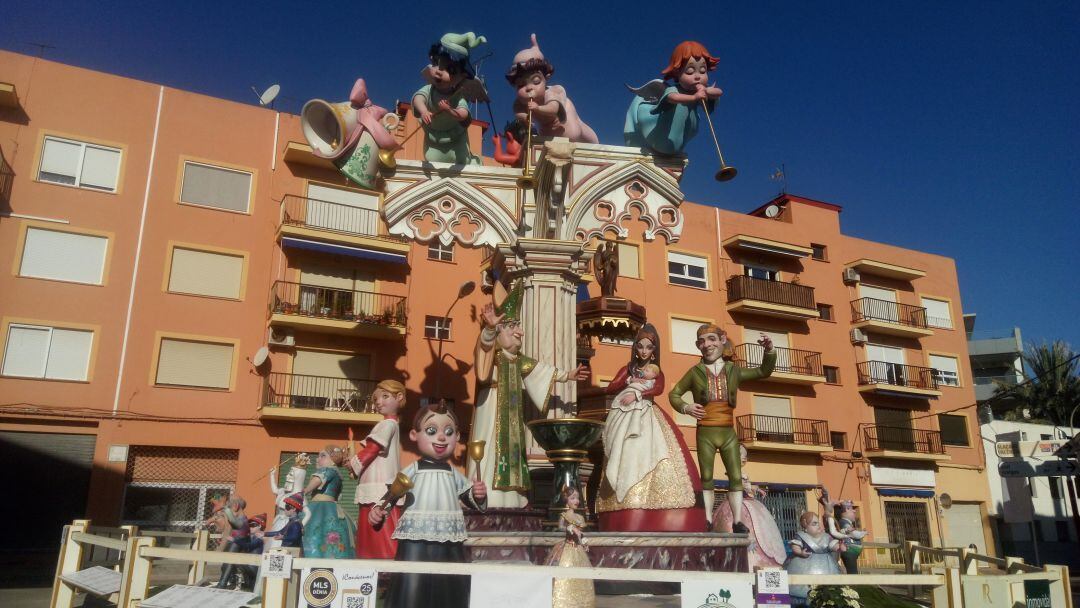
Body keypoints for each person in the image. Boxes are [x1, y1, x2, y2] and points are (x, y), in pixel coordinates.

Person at [472, 280, 589, 508]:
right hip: (492, 409)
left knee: (514, 451)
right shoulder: (494, 353)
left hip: (513, 418)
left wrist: (568, 375)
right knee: (491, 453)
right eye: (514, 327)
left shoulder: (517, 360)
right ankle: (489, 493)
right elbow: (484, 347)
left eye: (519, 327)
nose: (521, 332)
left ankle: (512, 496)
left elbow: (541, 369)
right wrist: (489, 329)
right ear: (500, 330)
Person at [370, 401, 486, 608]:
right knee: (412, 584)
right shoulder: (412, 470)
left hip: (449, 538)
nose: (441, 437)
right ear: (414, 435)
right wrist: (378, 511)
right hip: (416, 538)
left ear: (457, 437)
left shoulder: (454, 474)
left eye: (449, 432)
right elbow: (392, 495)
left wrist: (478, 495)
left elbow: (469, 497)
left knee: (449, 584)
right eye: (431, 431)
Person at [598, 323, 704, 532]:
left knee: (654, 450)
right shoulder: (627, 369)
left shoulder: (657, 371)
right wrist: (628, 380)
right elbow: (611, 386)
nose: (644, 351)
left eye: (649, 347)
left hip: (646, 413)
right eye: (641, 346)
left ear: (654, 351)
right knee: (621, 452)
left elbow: (659, 388)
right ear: (635, 348)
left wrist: (637, 393)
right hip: (622, 414)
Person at [669, 325, 775, 529]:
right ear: (697, 346)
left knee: (735, 476)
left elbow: (763, 371)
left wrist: (769, 350)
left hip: (728, 431)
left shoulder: (733, 371)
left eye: (711, 339)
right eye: (702, 341)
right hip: (705, 431)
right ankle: (707, 519)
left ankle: (737, 522)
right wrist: (686, 407)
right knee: (706, 476)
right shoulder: (694, 372)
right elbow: (674, 394)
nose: (707, 345)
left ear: (722, 339)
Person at [624, 41, 724, 156]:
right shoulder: (674, 90)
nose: (697, 76)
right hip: (663, 131)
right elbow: (672, 98)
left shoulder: (701, 91)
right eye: (690, 71)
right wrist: (694, 97)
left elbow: (718, 92)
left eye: (702, 71)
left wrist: (708, 91)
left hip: (680, 133)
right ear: (677, 73)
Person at [345, 379, 404, 559]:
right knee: (379, 526)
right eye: (376, 399)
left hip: (378, 483)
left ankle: (377, 565)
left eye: (385, 397)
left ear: (399, 397)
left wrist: (354, 463)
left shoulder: (386, 425)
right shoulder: (393, 425)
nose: (379, 402)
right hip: (384, 483)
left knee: (376, 529)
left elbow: (372, 448)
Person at [505, 34, 598, 144]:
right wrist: (526, 119)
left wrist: (538, 108)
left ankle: (597, 146)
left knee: (576, 136)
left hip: (565, 123)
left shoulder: (553, 91)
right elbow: (519, 113)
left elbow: (554, 108)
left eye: (536, 81)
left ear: (546, 78)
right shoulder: (519, 103)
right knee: (546, 147)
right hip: (547, 130)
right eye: (521, 85)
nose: (529, 88)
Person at [412, 32, 486, 165]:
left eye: (450, 70)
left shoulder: (458, 96)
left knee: (462, 160)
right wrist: (423, 111)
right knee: (432, 159)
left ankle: (473, 161)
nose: (439, 71)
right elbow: (418, 98)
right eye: (436, 63)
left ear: (461, 76)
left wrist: (449, 109)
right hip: (434, 136)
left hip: (456, 137)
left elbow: (463, 114)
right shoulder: (430, 90)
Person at [713, 446, 787, 569]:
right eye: (740, 454)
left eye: (745, 455)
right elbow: (738, 483)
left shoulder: (741, 473)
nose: (744, 457)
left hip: (748, 501)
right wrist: (752, 487)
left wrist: (753, 487)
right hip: (737, 503)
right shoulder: (733, 471)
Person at [301, 445, 356, 558]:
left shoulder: (329, 470)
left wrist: (305, 491)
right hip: (328, 507)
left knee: (316, 528)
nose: (318, 459)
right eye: (318, 456)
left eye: (323, 456)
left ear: (333, 461)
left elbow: (318, 479)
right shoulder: (337, 474)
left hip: (321, 507)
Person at [546, 486, 594, 608]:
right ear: (566, 500)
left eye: (577, 498)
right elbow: (561, 527)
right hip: (567, 549)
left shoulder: (580, 517)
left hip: (578, 550)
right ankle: (563, 601)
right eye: (572, 498)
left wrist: (584, 541)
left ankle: (582, 602)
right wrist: (570, 528)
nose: (576, 501)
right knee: (565, 573)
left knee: (582, 576)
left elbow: (581, 533)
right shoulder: (564, 515)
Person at [785, 511, 842, 605]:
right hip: (803, 565)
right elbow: (795, 546)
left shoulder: (826, 537)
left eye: (818, 523)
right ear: (805, 526)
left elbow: (833, 546)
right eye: (814, 524)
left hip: (827, 566)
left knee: (831, 590)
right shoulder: (801, 536)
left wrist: (839, 547)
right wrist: (800, 552)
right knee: (801, 591)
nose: (818, 526)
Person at [268, 454, 308, 535]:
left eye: (290, 474)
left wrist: (300, 526)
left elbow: (308, 514)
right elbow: (275, 490)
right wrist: (272, 475)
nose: (286, 476)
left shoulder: (298, 496)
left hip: (289, 525)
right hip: (278, 523)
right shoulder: (283, 491)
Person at [825, 497, 866, 574]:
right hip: (846, 548)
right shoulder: (841, 521)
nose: (854, 511)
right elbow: (834, 532)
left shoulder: (837, 520)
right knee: (852, 570)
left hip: (846, 548)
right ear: (846, 509)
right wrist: (860, 533)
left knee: (850, 569)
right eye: (851, 509)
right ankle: (853, 583)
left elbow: (840, 531)